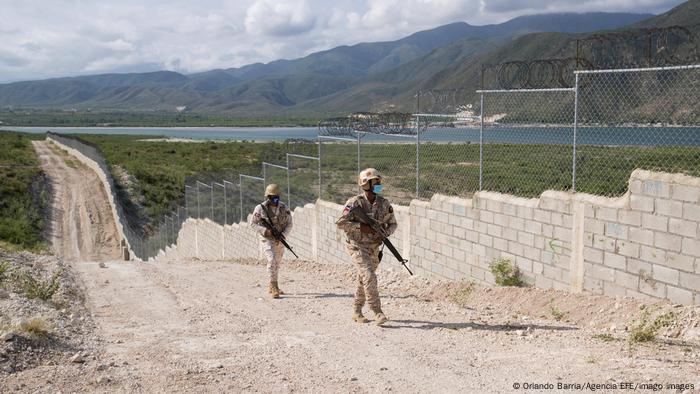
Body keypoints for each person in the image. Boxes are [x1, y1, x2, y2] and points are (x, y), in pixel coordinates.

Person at [336, 168, 397, 326]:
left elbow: (393, 223)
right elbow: (341, 223)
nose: (378, 184)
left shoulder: (384, 203)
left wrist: (385, 233)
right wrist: (361, 228)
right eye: (375, 182)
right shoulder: (354, 203)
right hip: (357, 246)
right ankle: (377, 311)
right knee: (369, 276)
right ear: (366, 184)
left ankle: (357, 310)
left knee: (364, 279)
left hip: (374, 247)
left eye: (378, 181)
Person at [249, 184, 293, 299]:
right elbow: (253, 224)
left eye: (277, 197)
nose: (275, 199)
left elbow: (289, 224)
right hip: (267, 239)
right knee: (272, 260)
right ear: (267, 197)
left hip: (280, 239)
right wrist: (265, 231)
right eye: (273, 197)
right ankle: (274, 285)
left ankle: (273, 284)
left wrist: (283, 235)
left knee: (277, 263)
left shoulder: (284, 208)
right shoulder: (260, 209)